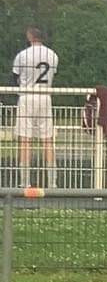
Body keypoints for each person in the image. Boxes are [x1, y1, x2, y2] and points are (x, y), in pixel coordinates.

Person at [12, 25, 59, 190]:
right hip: (45, 97)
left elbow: (16, 76)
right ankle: (52, 182)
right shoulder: (52, 55)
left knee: (25, 140)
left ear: (30, 37)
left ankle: (25, 182)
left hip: (27, 96)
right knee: (48, 140)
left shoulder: (22, 55)